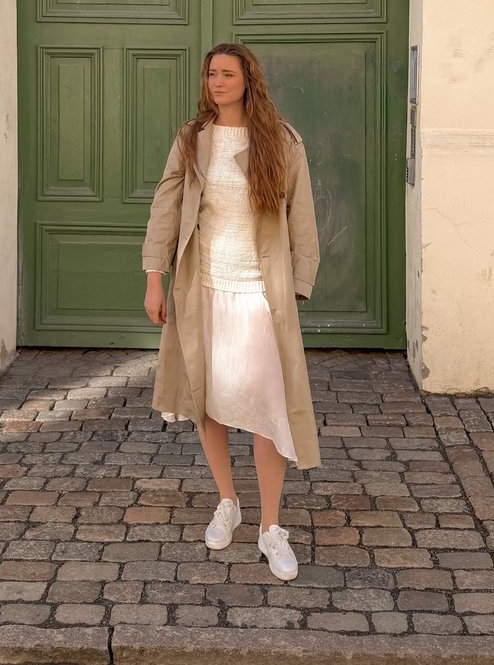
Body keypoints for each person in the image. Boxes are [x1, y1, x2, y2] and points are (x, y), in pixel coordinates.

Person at [142, 42, 320, 582]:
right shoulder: (192, 138)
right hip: (202, 288)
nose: (216, 82)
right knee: (209, 400)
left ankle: (271, 527)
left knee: (269, 406)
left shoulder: (281, 140)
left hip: (260, 292)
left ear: (248, 81)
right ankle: (228, 501)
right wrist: (154, 278)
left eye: (227, 74)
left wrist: (299, 285)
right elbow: (165, 207)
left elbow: (303, 216)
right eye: (211, 74)